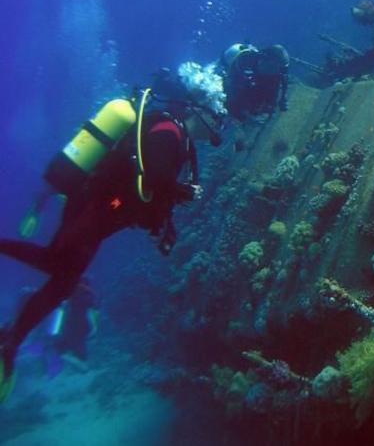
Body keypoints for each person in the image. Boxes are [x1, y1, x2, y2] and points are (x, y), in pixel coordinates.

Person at [0, 87, 222, 402]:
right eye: (218, 115)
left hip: (103, 210)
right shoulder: (169, 129)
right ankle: (11, 340)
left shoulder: (176, 135)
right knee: (58, 268)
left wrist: (166, 220)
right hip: (95, 204)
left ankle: (11, 340)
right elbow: (155, 175)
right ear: (200, 110)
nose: (220, 123)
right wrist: (180, 191)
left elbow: (151, 184)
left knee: (62, 278)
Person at [220, 43, 290, 120]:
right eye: (272, 67)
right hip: (236, 84)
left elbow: (282, 81)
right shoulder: (243, 63)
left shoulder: (274, 75)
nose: (274, 72)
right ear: (264, 60)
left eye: (278, 69)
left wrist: (281, 99)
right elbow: (231, 91)